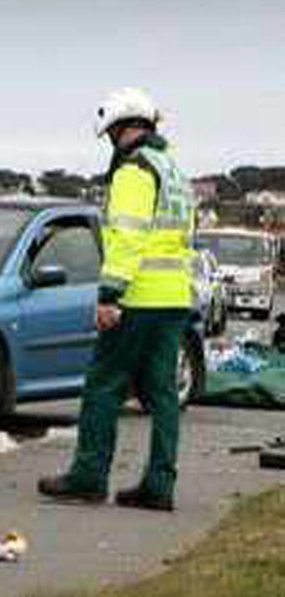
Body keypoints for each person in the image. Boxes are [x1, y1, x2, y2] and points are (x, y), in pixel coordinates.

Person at [38, 88, 196, 512]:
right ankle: (159, 485)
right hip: (173, 297)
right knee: (162, 394)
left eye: (111, 133)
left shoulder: (134, 171)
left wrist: (110, 295)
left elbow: (127, 237)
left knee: (103, 385)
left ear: (124, 129)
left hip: (137, 297)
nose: (110, 142)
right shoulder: (175, 173)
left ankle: (88, 476)